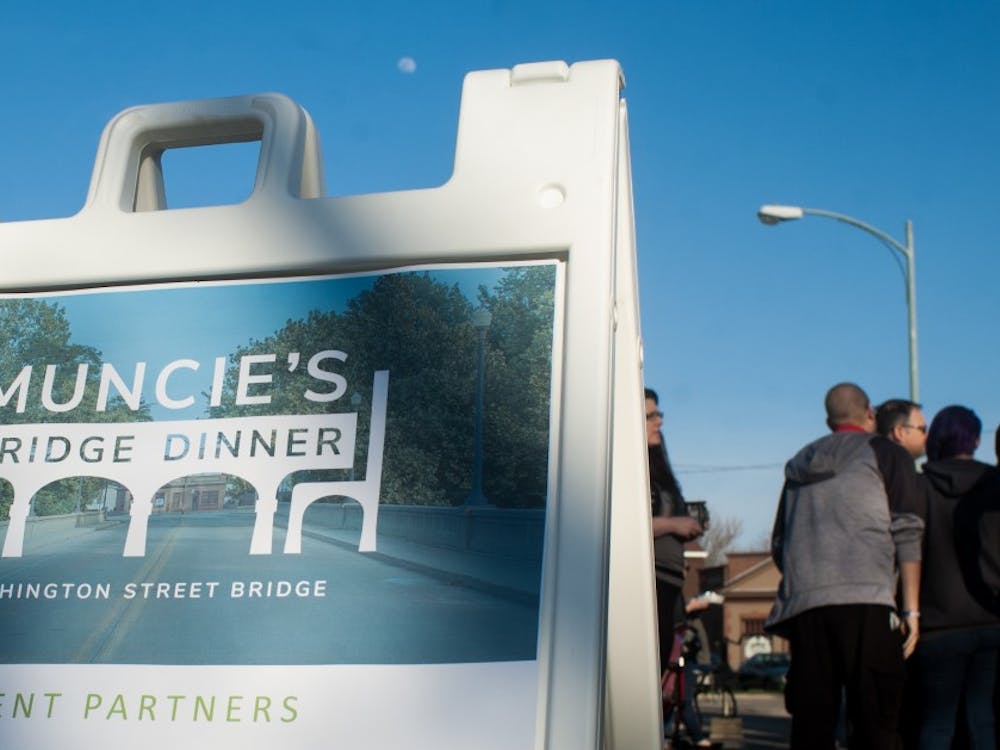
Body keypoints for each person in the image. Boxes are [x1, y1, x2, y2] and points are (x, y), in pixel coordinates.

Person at [766, 382, 924, 750]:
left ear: (828, 420)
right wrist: (911, 608)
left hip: (806, 605)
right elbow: (907, 530)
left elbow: (779, 542)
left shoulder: (798, 464)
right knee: (877, 722)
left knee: (811, 725)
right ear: (870, 413)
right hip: (868, 598)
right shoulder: (886, 452)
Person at [915, 405, 1000, 750]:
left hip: (937, 622)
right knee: (983, 719)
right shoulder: (994, 483)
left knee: (936, 724)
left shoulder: (919, 487)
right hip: (991, 615)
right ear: (977, 440)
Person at [645, 388, 703, 688]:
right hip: (648, 582)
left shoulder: (659, 472)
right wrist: (673, 524)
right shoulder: (630, 471)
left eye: (658, 414)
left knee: (663, 660)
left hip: (669, 580)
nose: (659, 422)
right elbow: (624, 523)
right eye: (650, 416)